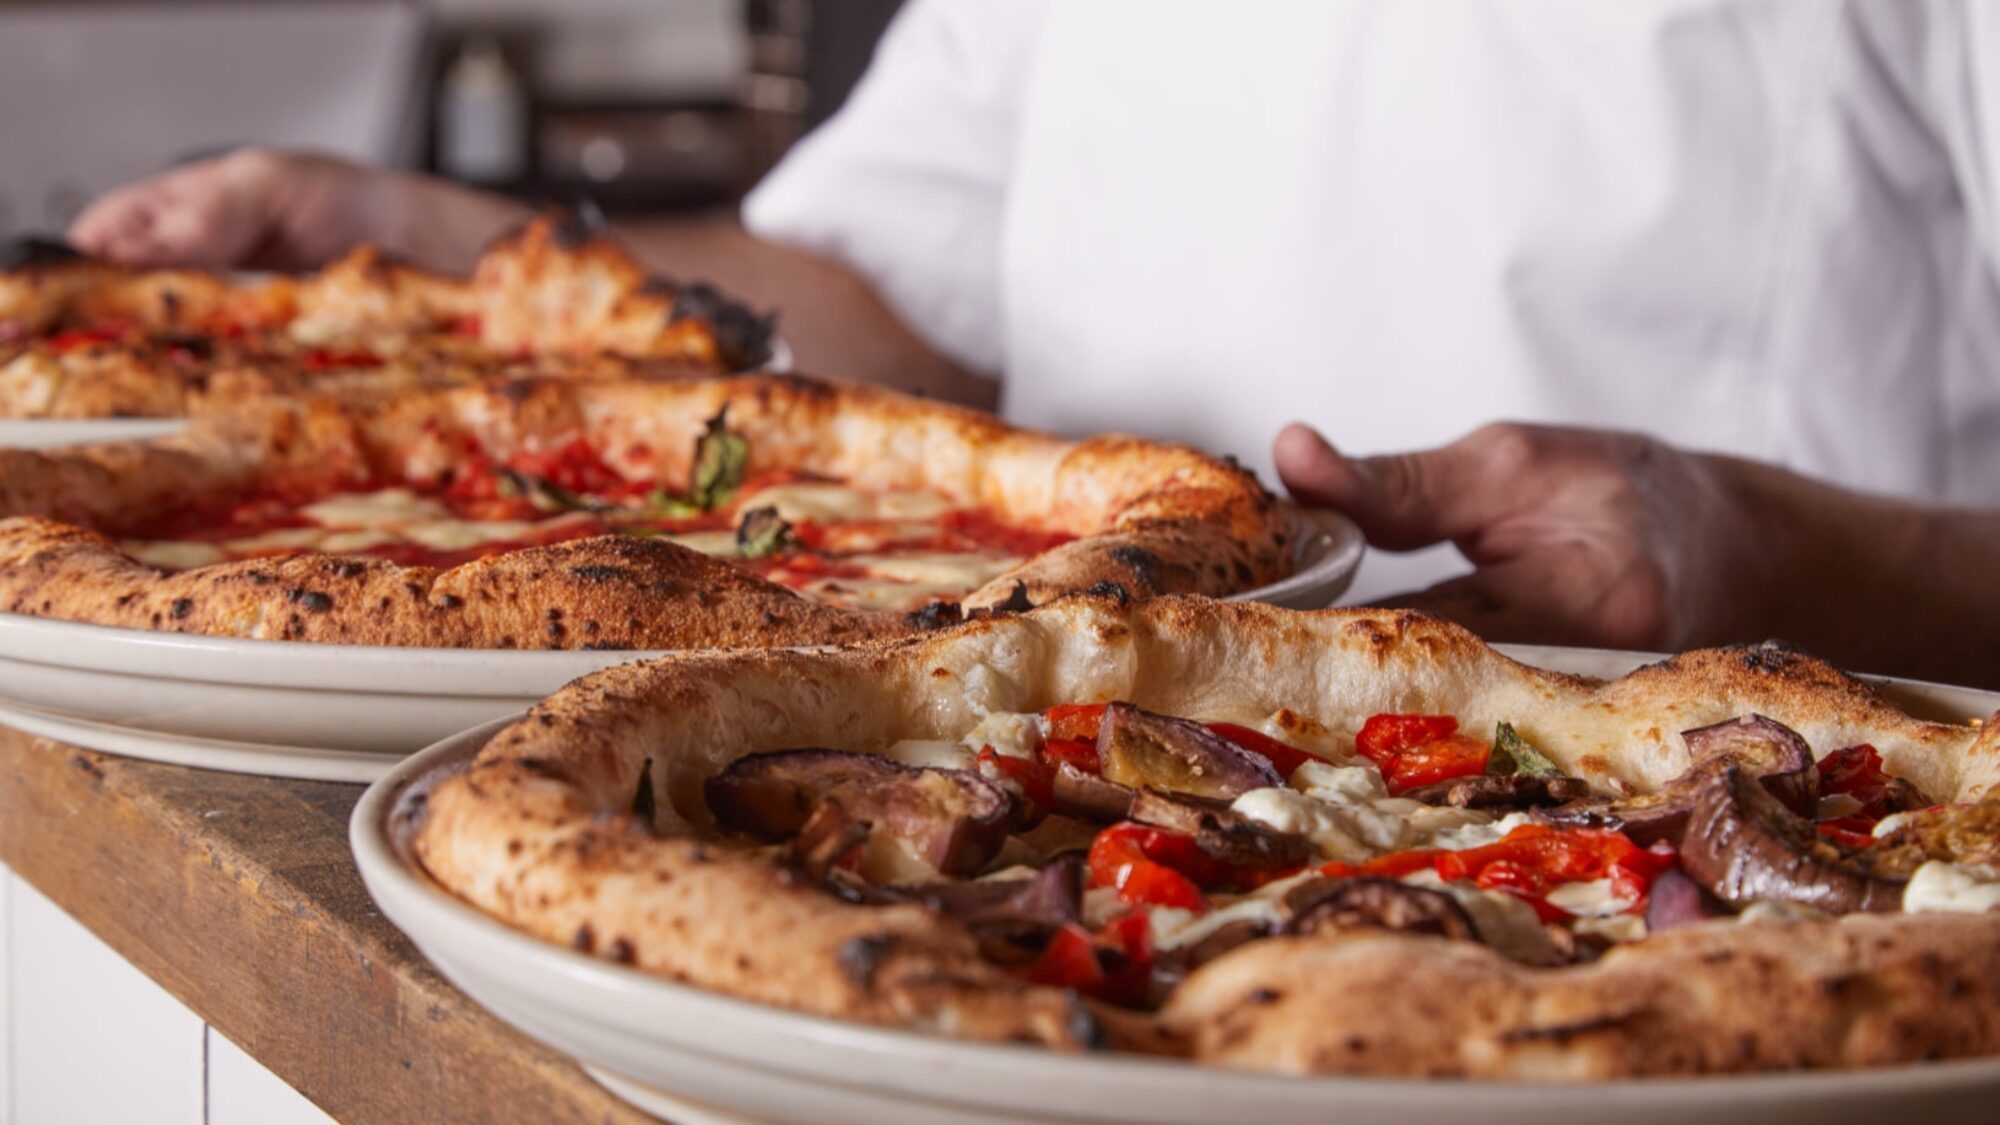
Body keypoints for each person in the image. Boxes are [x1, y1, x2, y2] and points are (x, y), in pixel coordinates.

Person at [68, 1, 2000, 687]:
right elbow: (881, 314)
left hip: (1718, 830)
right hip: (1044, 778)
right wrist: (429, 243)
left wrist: (1782, 551)